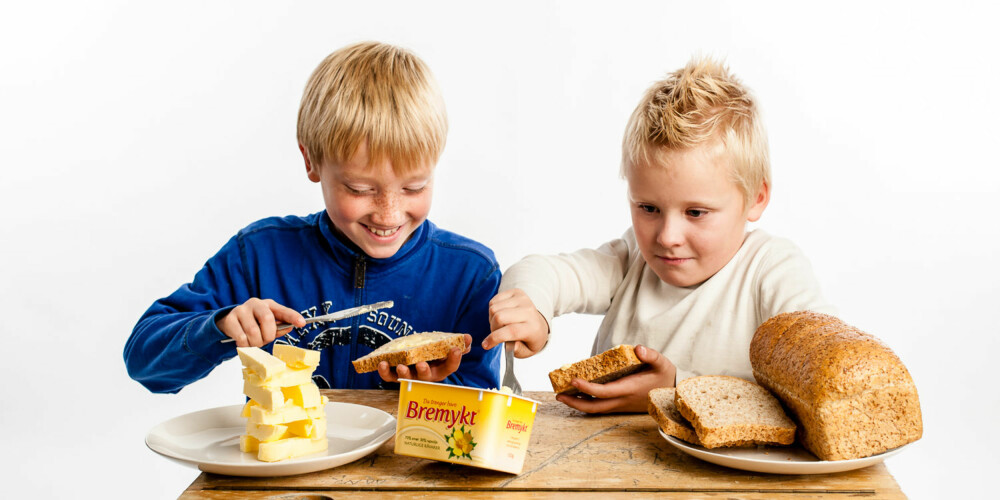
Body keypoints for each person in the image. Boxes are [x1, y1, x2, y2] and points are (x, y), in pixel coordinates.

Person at [125, 41, 501, 393]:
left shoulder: (469, 274)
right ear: (311, 161)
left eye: (414, 187)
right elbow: (144, 363)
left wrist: (433, 389)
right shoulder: (259, 254)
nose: (389, 213)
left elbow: (483, 408)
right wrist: (219, 327)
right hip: (285, 462)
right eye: (359, 189)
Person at [483, 57, 834, 413]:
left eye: (695, 212)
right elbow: (542, 272)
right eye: (648, 208)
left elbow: (820, 373)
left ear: (756, 198)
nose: (667, 236)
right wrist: (532, 310)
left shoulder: (771, 270)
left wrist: (676, 388)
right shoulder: (632, 260)